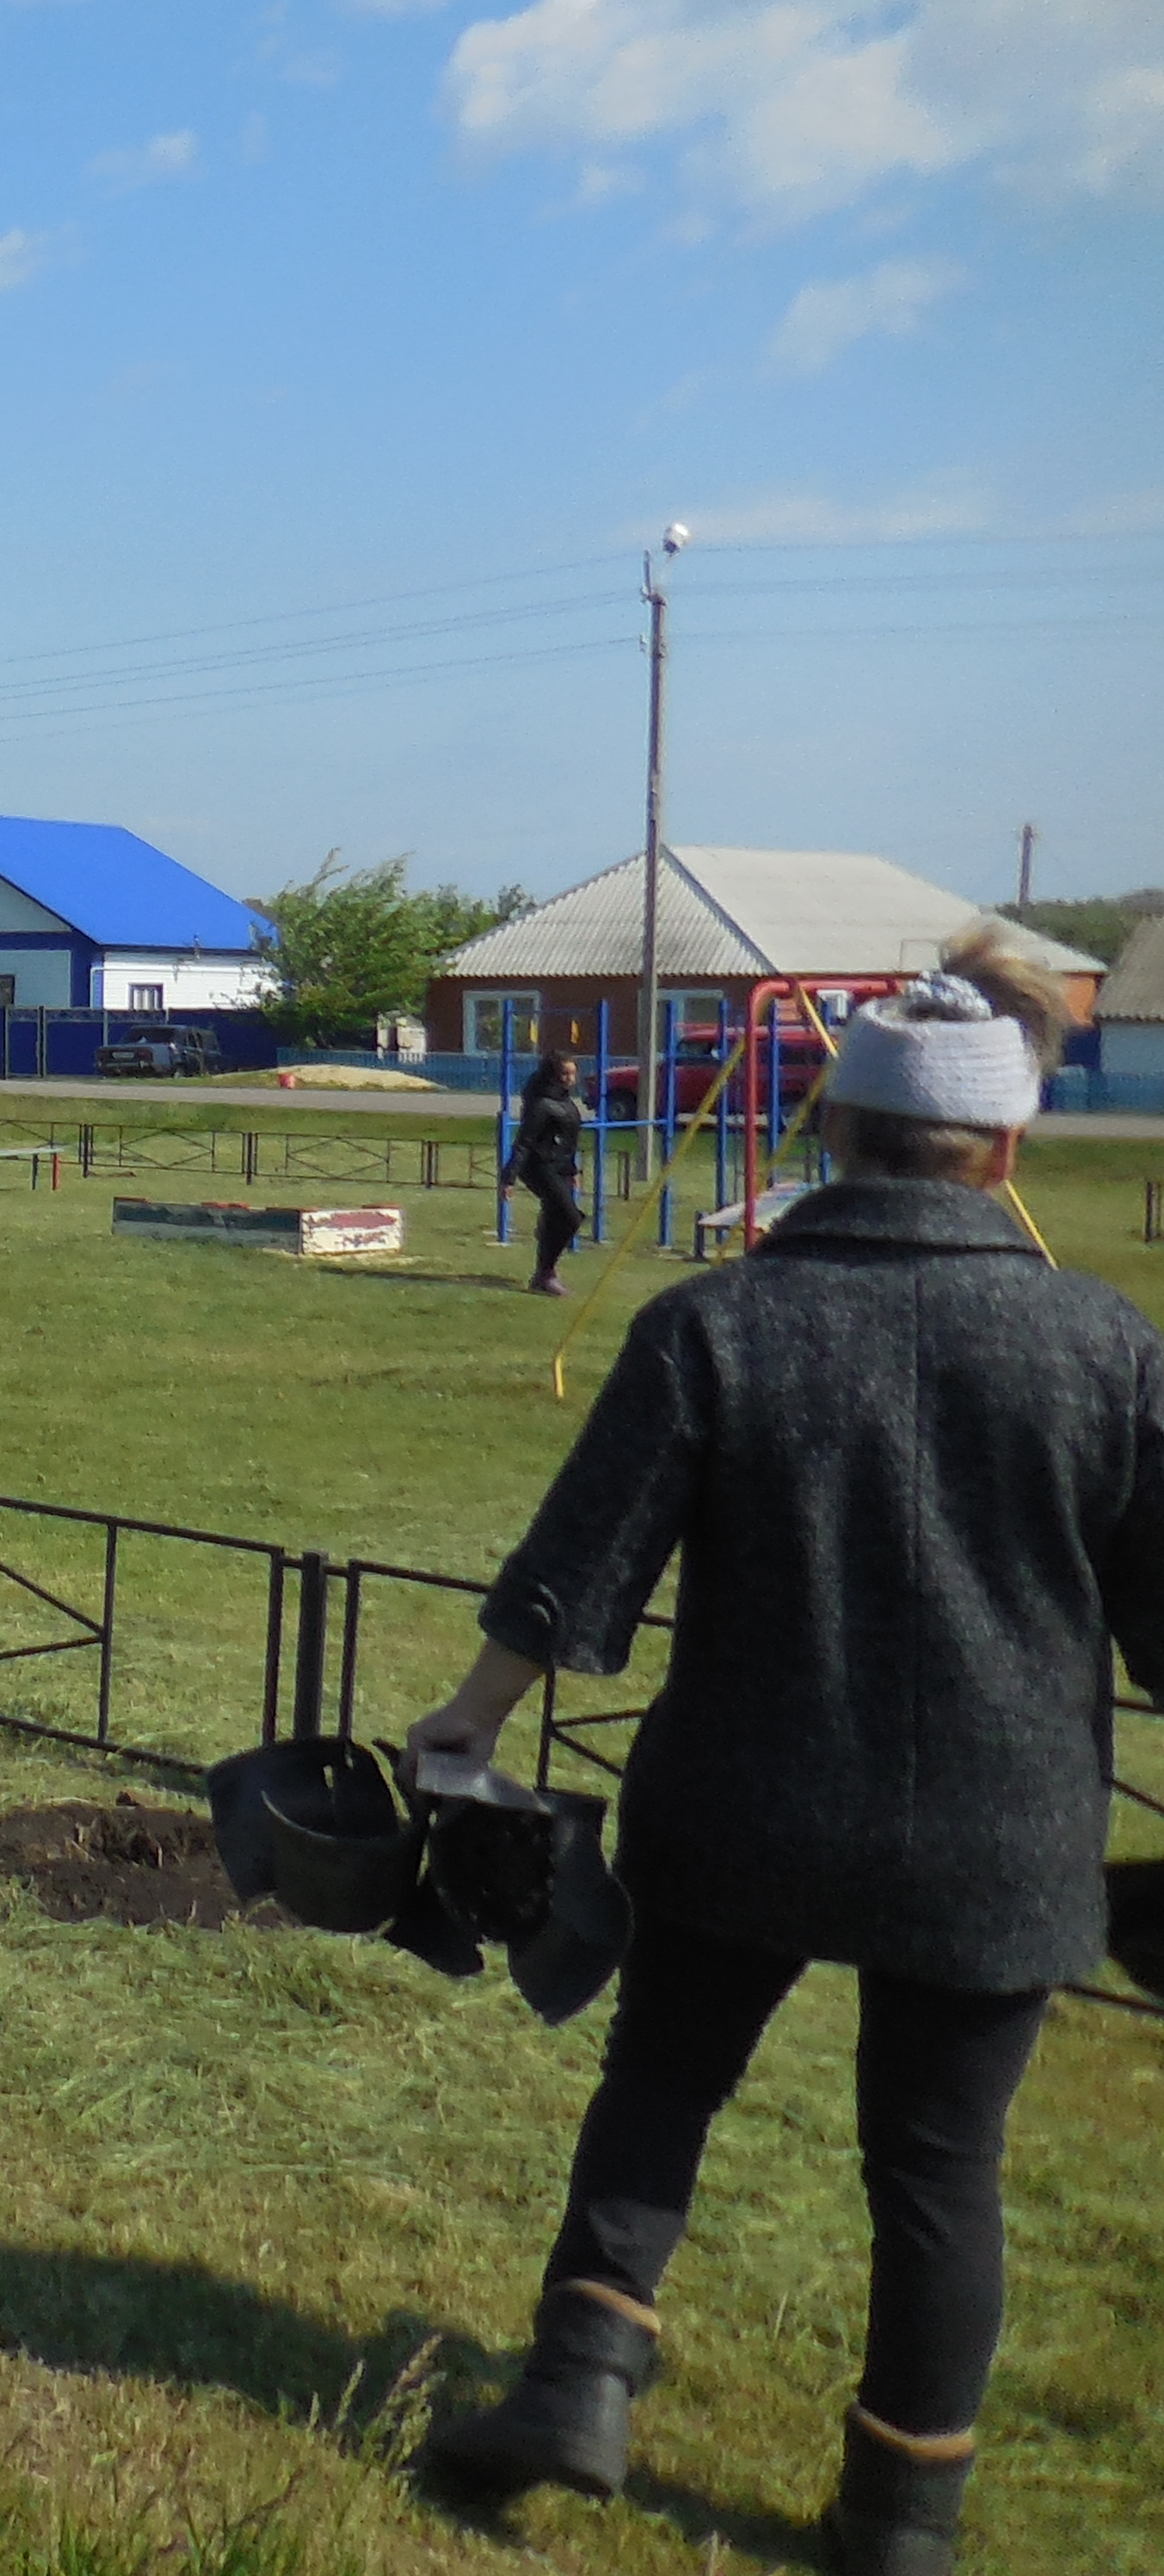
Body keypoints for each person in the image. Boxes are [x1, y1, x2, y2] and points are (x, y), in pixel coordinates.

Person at [410, 935, 1162, 2573]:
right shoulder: (1105, 1348)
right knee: (938, 2168)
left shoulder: (712, 1324)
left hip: (738, 1806)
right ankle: (900, 2521)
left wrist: (469, 1720)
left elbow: (575, 1566)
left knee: (660, 2087)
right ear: (1005, 1149)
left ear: (828, 1125)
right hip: (1003, 1836)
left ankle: (576, 2388)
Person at [512, 1030, 590, 1296]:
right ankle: (545, 1274)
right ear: (552, 1074)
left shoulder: (566, 1101)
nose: (570, 1079)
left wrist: (573, 1170)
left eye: (573, 1073)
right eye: (565, 1074)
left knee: (560, 1218)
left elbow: (569, 1140)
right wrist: (508, 1178)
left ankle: (545, 1272)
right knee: (570, 1218)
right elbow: (524, 1142)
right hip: (537, 1167)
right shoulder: (541, 1103)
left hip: (560, 1167)